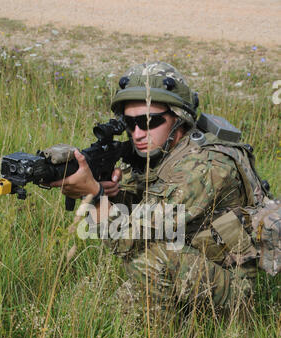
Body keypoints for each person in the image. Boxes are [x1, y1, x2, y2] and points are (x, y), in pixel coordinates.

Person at [51, 62, 268, 312]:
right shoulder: (167, 150)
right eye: (130, 124)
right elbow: (150, 204)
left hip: (234, 282)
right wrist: (115, 191)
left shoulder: (204, 166)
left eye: (149, 122)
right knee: (115, 315)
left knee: (151, 258)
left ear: (180, 117)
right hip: (197, 256)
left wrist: (95, 195)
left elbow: (127, 240)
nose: (137, 134)